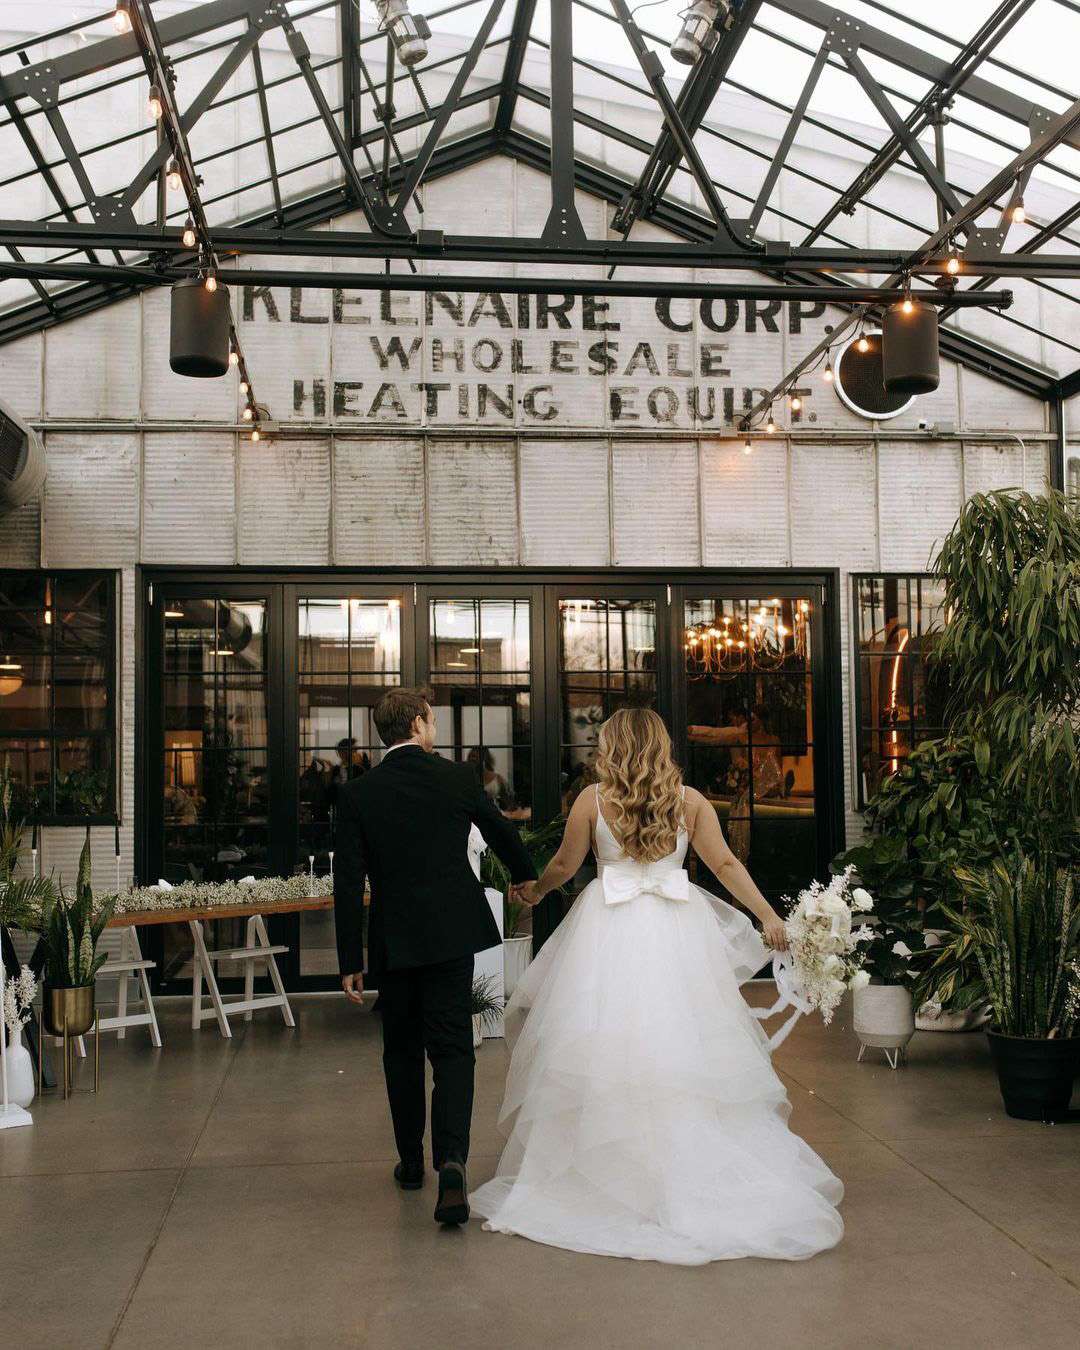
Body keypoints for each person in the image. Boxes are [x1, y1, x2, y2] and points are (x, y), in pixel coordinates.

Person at [470, 707, 844, 1264]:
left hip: (607, 926)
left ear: (612, 747)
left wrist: (537, 891)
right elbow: (724, 865)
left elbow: (566, 864)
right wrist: (767, 915)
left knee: (604, 1040)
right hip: (677, 928)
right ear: (662, 746)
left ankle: (606, 1168)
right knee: (684, 1039)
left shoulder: (592, 800)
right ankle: (684, 1156)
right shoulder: (689, 802)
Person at [334, 688, 536, 1227]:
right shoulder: (456, 778)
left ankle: (409, 1163)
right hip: (450, 936)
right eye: (432, 719)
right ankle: (452, 1163)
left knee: (401, 1050)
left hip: (395, 941)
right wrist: (525, 877)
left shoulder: (359, 793)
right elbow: (500, 832)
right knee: (451, 1050)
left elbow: (348, 881)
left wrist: (350, 958)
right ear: (419, 724)